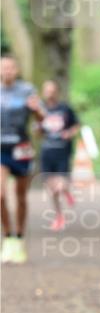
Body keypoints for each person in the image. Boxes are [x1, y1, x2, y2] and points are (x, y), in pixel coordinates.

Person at [0, 53, 45, 264]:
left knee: (20, 196)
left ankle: (19, 237)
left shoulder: (27, 90)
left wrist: (36, 110)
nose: (7, 71)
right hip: (1, 149)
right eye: (3, 68)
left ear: (16, 70)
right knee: (0, 194)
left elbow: (42, 119)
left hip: (21, 149)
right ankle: (8, 236)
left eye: (10, 67)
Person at [38, 79, 80, 231]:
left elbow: (76, 125)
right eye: (47, 91)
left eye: (52, 91)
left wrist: (69, 133)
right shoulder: (40, 110)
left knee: (59, 185)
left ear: (57, 92)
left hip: (62, 152)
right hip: (47, 152)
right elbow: (38, 131)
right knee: (52, 188)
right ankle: (59, 216)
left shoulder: (65, 108)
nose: (49, 94)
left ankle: (65, 190)